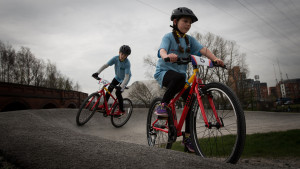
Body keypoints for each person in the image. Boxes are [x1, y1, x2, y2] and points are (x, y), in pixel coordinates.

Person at [154, 7, 224, 152]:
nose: (188, 25)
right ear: (175, 21)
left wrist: (215, 59)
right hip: (165, 72)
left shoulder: (189, 40)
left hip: (180, 79)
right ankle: (163, 105)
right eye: (185, 21)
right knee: (179, 77)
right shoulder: (168, 37)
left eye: (190, 23)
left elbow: (203, 50)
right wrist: (167, 55)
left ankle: (187, 137)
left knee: (190, 102)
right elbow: (162, 50)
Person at [92, 45, 132, 114]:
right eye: (122, 54)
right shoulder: (115, 58)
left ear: (127, 56)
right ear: (119, 52)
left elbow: (126, 77)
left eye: (125, 55)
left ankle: (121, 110)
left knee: (118, 92)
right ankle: (104, 106)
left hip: (124, 80)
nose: (122, 56)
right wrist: (97, 73)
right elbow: (105, 65)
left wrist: (121, 86)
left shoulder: (127, 63)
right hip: (117, 77)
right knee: (109, 89)